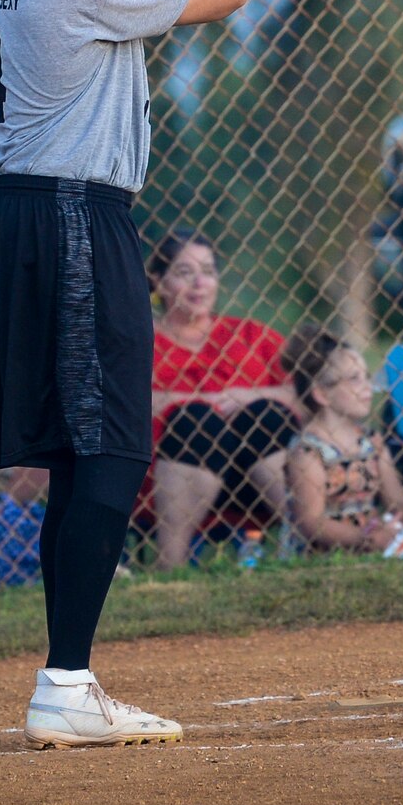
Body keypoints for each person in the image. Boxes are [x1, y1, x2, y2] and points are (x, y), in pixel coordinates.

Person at [0, 0, 245, 748]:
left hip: (17, 215)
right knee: (116, 450)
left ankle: (66, 679)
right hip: (75, 218)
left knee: (82, 458)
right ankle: (66, 683)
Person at [146, 229, 297, 571]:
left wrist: (251, 395)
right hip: (174, 476)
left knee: (265, 414)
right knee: (196, 420)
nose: (200, 283)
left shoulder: (250, 335)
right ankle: (170, 567)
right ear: (159, 282)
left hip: (256, 473)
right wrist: (197, 404)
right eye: (185, 273)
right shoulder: (140, 341)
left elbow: (307, 394)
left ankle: (306, 537)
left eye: (208, 271)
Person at [281, 325, 403, 558]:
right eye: (355, 379)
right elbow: (312, 524)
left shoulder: (371, 440)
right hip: (331, 548)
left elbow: (397, 499)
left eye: (367, 376)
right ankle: (398, 548)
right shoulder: (308, 451)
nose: (368, 387)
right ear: (322, 394)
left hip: (376, 535)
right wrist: (366, 538)